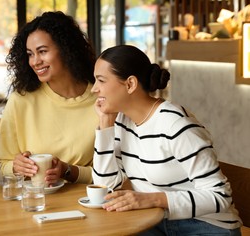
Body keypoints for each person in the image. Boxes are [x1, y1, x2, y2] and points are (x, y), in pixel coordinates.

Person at [91, 45, 242, 235]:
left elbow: (220, 196)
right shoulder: (120, 120)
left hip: (206, 225)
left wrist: (153, 199)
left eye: (101, 80)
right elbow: (106, 186)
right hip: (155, 220)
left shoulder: (175, 124)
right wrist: (105, 123)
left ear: (130, 84)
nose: (94, 89)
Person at [0, 11, 98, 185]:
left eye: (42, 51)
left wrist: (67, 170)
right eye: (30, 54)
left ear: (66, 49)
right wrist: (16, 167)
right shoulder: (21, 101)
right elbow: (3, 165)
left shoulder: (101, 100)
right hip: (37, 202)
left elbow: (113, 172)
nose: (35, 61)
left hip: (88, 202)